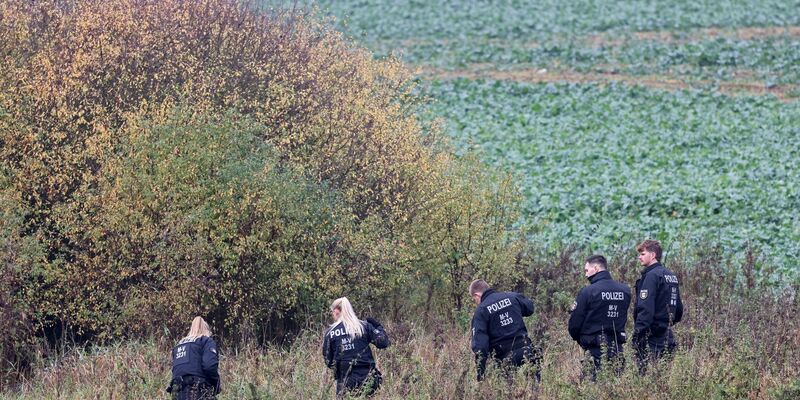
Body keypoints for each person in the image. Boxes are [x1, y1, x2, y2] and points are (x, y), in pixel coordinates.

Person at [568, 255, 631, 381]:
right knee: (616, 387)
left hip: (594, 349)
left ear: (596, 268)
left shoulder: (588, 291)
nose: (586, 275)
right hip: (617, 348)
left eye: (587, 270)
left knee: (592, 387)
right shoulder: (625, 290)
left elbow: (574, 324)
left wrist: (580, 339)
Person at [469, 279, 540, 382]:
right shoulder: (511, 296)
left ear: (476, 295)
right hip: (527, 351)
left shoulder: (481, 311)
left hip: (505, 359)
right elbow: (529, 308)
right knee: (536, 390)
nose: (475, 302)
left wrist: (481, 374)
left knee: (508, 392)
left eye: (474, 299)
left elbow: (480, 346)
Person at [632, 239, 684, 373]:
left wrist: (639, 334)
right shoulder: (671, 275)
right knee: (663, 378)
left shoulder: (651, 276)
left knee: (646, 377)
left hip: (652, 336)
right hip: (667, 334)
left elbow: (645, 308)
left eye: (643, 254)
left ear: (653, 255)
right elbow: (678, 309)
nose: (639, 257)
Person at [323, 297, 390, 398]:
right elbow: (383, 343)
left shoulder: (330, 332)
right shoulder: (364, 326)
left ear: (337, 310)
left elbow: (328, 361)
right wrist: (378, 327)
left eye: (333, 310)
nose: (332, 314)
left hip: (345, 381)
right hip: (368, 378)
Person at [167, 316, 220, 400]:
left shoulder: (178, 346)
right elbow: (209, 366)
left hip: (177, 391)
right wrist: (216, 385)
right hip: (197, 390)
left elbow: (175, 370)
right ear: (207, 330)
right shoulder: (206, 341)